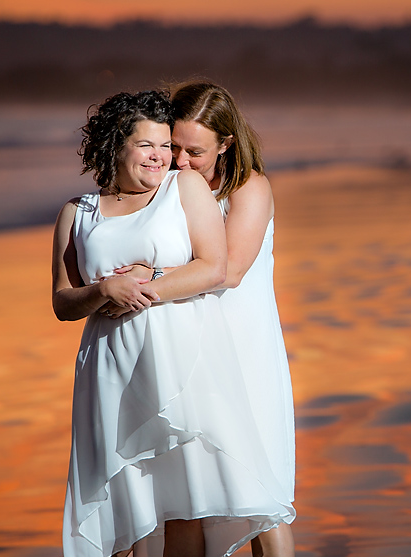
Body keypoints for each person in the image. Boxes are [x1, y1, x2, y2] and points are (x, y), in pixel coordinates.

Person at [52, 90, 293, 556]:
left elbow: (229, 270)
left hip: (240, 339)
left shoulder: (243, 188)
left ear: (224, 144)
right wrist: (108, 288)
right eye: (169, 145)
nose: (176, 159)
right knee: (177, 495)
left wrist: (147, 278)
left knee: (259, 484)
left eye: (190, 151)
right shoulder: (100, 205)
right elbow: (65, 297)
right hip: (172, 339)